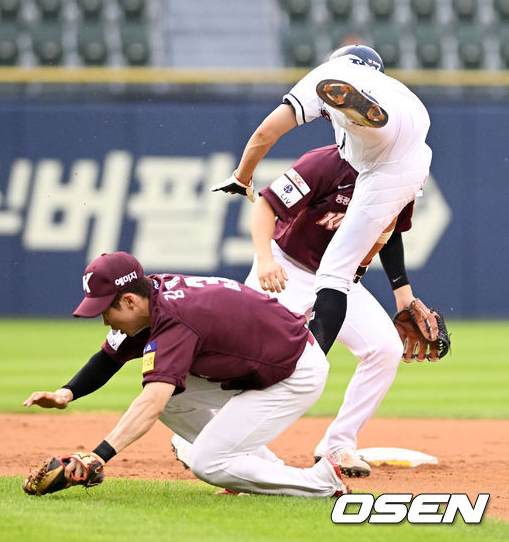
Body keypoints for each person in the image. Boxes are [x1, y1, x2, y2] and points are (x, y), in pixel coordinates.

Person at [175, 144, 418, 478]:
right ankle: (199, 436)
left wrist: (403, 296)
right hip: (287, 269)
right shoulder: (325, 163)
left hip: (342, 278)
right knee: (252, 359)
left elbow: (389, 232)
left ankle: (338, 444)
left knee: (385, 348)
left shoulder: (402, 175)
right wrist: (265, 258)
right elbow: (266, 204)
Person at [23, 251, 348, 497]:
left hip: (292, 371)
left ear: (129, 300)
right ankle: (260, 470)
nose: (104, 320)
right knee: (176, 397)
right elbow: (108, 358)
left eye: (104, 310)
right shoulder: (152, 295)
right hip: (260, 359)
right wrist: (67, 393)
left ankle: (320, 482)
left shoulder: (174, 319)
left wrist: (98, 456)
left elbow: (152, 403)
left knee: (207, 463)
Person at [211, 44, 432, 362]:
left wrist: (242, 176)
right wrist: (402, 294)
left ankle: (361, 117)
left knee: (333, 275)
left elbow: (264, 133)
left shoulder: (327, 79)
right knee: (351, 294)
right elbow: (389, 227)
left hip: (377, 147)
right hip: (412, 147)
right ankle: (367, 116)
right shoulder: (391, 91)